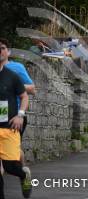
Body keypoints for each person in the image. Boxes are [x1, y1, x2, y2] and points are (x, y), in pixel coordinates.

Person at [0, 39, 32, 198]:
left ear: (7, 51)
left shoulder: (13, 74)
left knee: (10, 166)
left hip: (10, 125)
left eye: (2, 48)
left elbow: (26, 95)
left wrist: (20, 115)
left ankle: (23, 174)